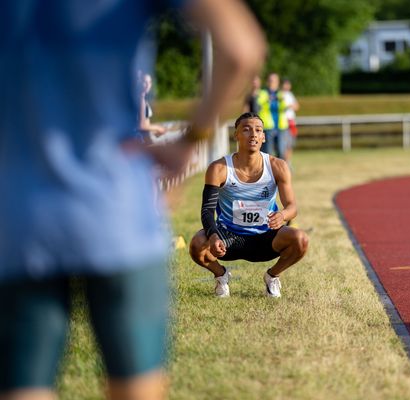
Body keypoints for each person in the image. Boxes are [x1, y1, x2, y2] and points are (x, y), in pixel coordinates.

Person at [0, 1, 265, 400]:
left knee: (25, 387)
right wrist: (188, 142)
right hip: (115, 208)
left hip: (16, 215)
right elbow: (241, 47)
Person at [189, 112, 309, 298]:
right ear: (236, 135)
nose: (253, 134)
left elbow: (292, 206)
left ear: (263, 137)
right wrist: (213, 236)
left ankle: (272, 277)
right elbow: (207, 210)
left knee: (301, 240)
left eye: (258, 130)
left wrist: (283, 216)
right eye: (246, 129)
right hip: (229, 237)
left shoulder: (278, 166)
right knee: (197, 244)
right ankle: (221, 276)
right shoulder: (219, 168)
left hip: (267, 236)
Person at [257, 73, 290, 161]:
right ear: (267, 82)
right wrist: (267, 100)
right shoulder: (263, 93)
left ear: (278, 82)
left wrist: (282, 100)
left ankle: (281, 171)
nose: (272, 83)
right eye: (270, 81)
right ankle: (267, 172)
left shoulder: (280, 94)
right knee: (267, 152)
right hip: (268, 127)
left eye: (274, 81)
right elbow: (258, 105)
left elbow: (285, 107)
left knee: (281, 151)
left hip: (281, 126)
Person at [138, 72, 167, 143]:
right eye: (145, 82)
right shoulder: (140, 100)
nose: (148, 85)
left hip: (143, 139)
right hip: (138, 142)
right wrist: (158, 128)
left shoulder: (143, 99)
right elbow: (142, 126)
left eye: (150, 82)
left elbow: (146, 125)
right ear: (140, 82)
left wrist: (156, 130)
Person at [281, 78, 300, 163]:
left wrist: (290, 106)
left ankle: (288, 162)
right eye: (285, 84)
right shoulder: (280, 95)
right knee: (284, 144)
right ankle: (284, 162)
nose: (287, 86)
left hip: (291, 122)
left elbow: (296, 106)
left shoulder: (290, 95)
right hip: (284, 122)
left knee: (290, 144)